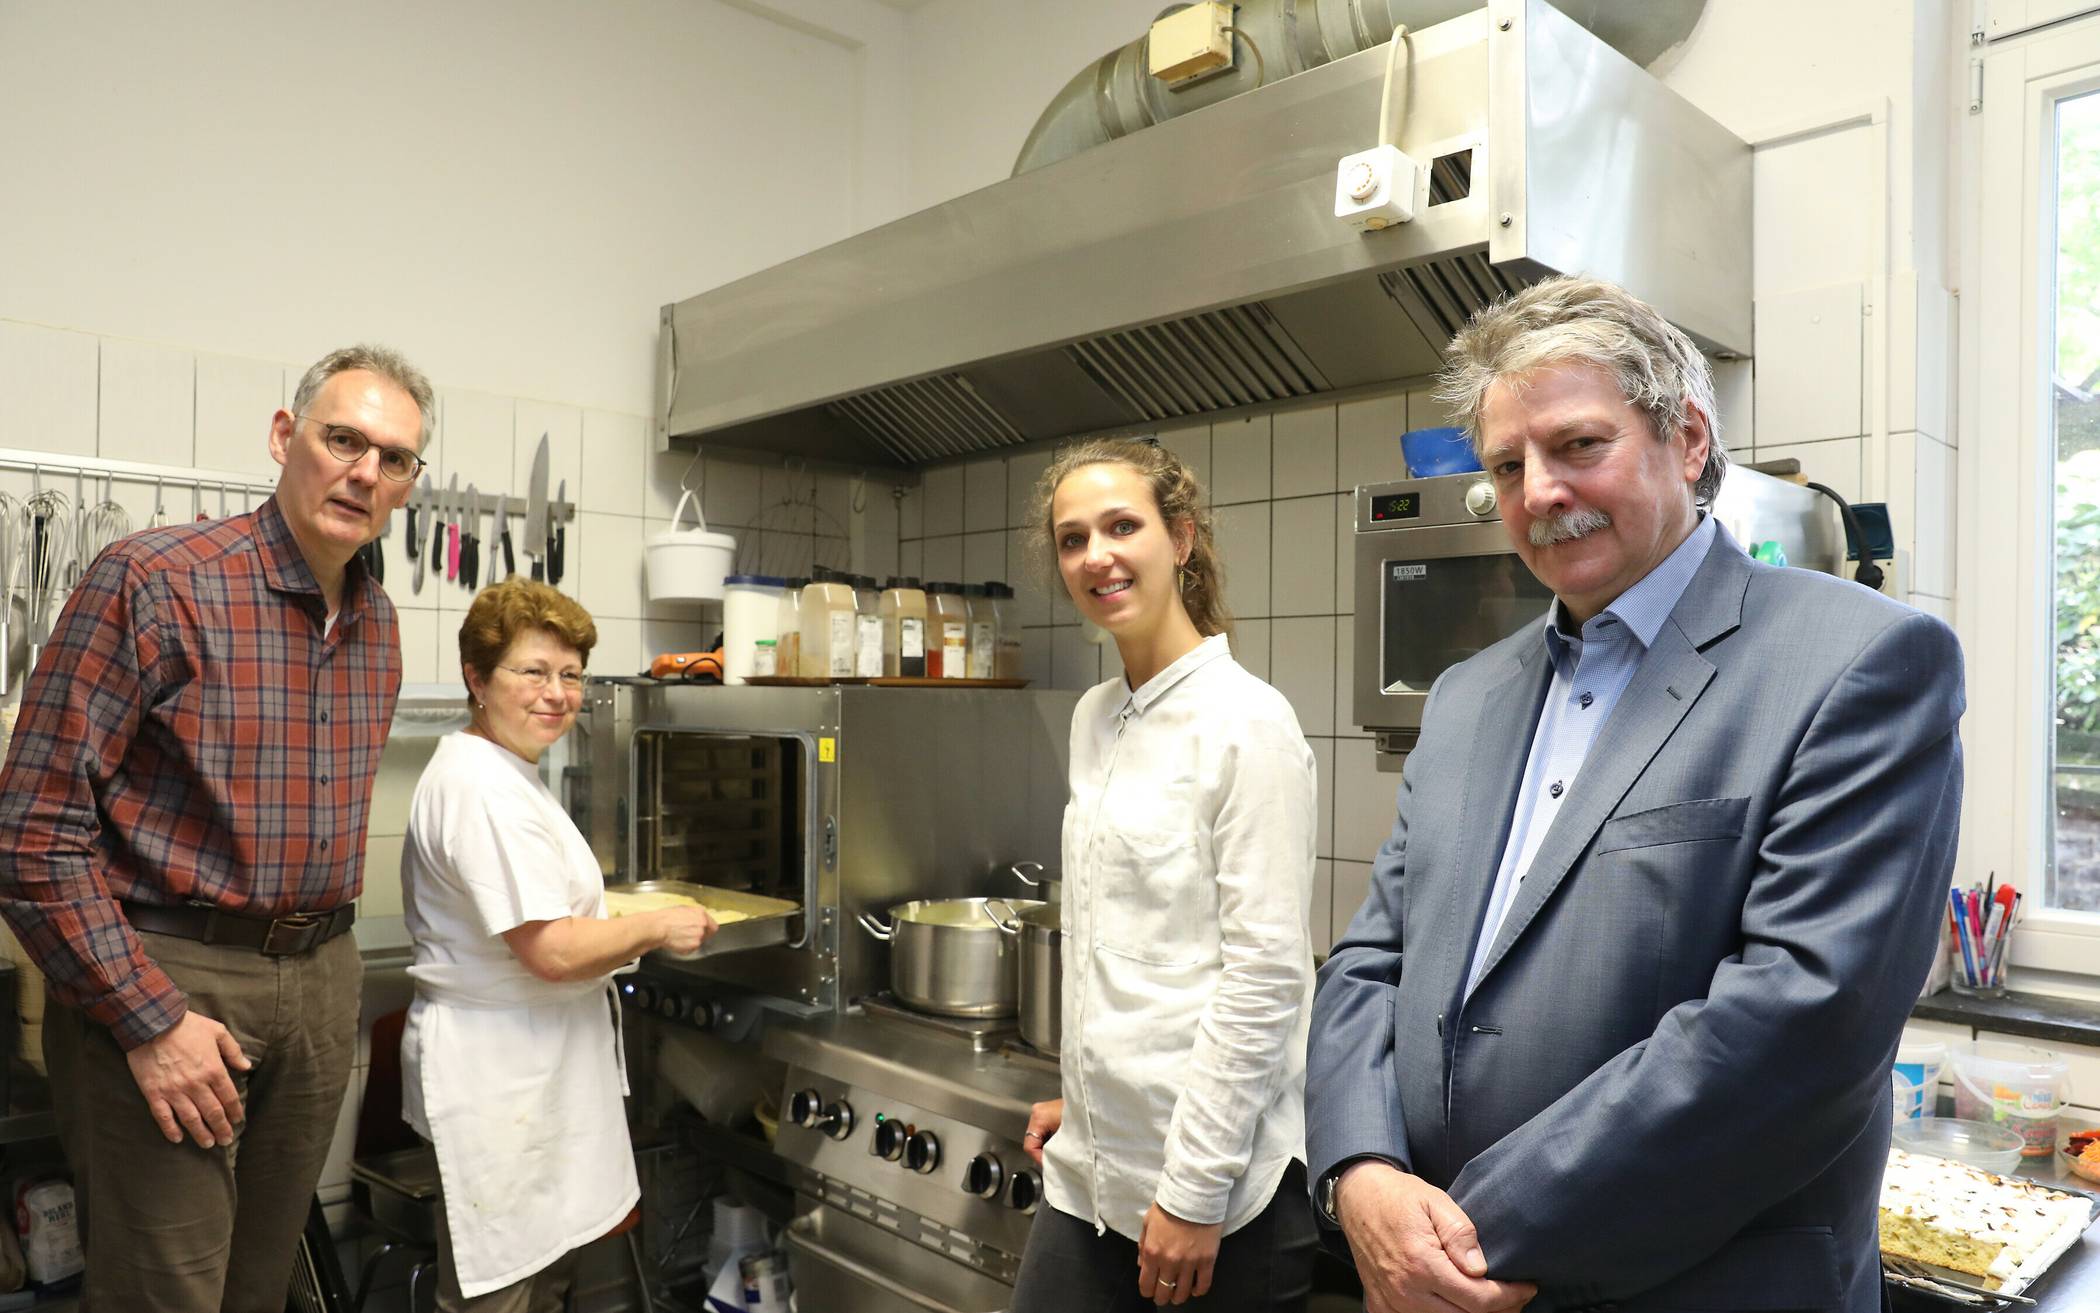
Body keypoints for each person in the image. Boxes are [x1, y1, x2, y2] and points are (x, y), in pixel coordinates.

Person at [1305, 275, 1965, 1313]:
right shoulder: (1470, 696)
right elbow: (1369, 962)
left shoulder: (1861, 661)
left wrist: (1468, 1237)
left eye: (1578, 445)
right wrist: (1359, 1173)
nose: (1538, 493)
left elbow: (1798, 1023)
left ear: (1688, 439)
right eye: (1507, 465)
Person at [0, 344, 434, 1309]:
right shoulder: (155, 581)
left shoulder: (379, 626)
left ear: (407, 485)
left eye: (394, 458)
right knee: (167, 1293)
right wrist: (149, 1020)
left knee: (257, 1286)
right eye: (343, 439)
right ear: (287, 438)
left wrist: (327, 990)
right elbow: (31, 835)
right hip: (171, 975)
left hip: (320, 979)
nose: (364, 471)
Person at [1012, 438, 1320, 1312]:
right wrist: (1089, 1099)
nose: (1096, 555)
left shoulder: (1248, 724)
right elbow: (1123, 948)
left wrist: (1190, 1193)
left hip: (1213, 1194)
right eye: (1073, 539)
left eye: (1122, 526)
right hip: (1090, 1174)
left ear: (1180, 539)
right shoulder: (1095, 716)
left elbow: (1264, 978)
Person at [400, 578, 715, 1309]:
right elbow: (550, 949)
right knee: (502, 1293)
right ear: (477, 679)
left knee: (543, 1285)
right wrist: (659, 924)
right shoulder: (482, 787)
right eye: (533, 671)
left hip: (530, 1075)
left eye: (571, 674)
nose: (558, 693)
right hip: (499, 1081)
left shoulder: (508, 771)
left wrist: (632, 911)